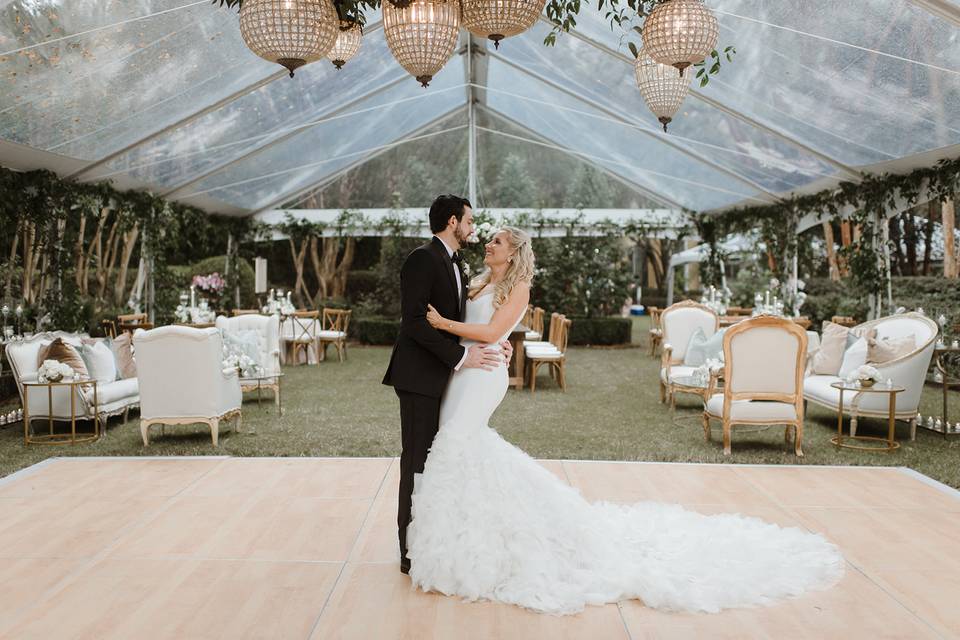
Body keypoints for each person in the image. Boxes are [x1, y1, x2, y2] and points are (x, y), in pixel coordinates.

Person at [405, 226, 845, 615]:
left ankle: (485, 538)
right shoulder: (479, 280)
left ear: (514, 251)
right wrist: (467, 334)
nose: (488, 243)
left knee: (461, 442)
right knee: (461, 445)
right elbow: (480, 329)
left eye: (497, 240)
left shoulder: (518, 289)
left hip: (484, 378)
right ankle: (478, 529)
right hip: (466, 373)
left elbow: (488, 331)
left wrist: (452, 325)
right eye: (489, 238)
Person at [382, 194, 513, 576]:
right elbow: (414, 322)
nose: (474, 228)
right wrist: (460, 357)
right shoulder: (423, 258)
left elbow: (464, 320)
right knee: (416, 462)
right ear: (453, 221)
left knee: (435, 460)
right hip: (420, 378)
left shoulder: (456, 262)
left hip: (447, 379)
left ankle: (431, 537)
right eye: (470, 221)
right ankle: (409, 549)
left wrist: (495, 341)